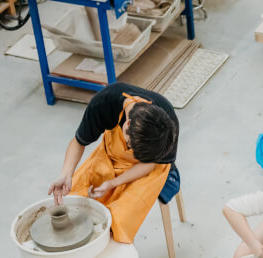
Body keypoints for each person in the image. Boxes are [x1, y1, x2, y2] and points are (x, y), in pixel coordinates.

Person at [48, 82, 179, 244]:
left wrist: (113, 183)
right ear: (128, 123)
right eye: (129, 145)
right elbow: (78, 142)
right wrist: (66, 174)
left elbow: (150, 164)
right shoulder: (105, 103)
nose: (129, 149)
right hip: (111, 155)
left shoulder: (167, 125)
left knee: (120, 218)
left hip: (148, 169)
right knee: (74, 201)